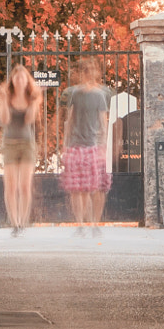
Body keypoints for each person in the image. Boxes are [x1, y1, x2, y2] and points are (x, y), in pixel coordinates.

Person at [58, 56, 112, 236]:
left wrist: (104, 147)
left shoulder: (100, 95)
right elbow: (69, 120)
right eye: (85, 70)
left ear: (97, 72)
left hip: (93, 145)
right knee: (76, 188)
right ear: (81, 73)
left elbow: (103, 123)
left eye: (92, 70)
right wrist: (65, 145)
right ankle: (80, 223)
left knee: (93, 187)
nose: (89, 73)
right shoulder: (74, 94)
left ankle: (94, 222)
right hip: (75, 144)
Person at [0, 62, 43, 236]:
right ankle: (14, 222)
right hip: (10, 143)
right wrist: (3, 101)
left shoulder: (32, 97)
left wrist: (34, 103)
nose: (20, 80)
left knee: (25, 186)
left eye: (23, 77)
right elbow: (5, 120)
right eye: (17, 77)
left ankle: (23, 221)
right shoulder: (6, 96)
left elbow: (29, 120)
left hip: (27, 144)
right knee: (11, 186)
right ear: (12, 79)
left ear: (27, 80)